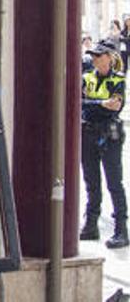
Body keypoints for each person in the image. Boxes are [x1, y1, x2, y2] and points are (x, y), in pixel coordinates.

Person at [80, 41, 128, 248]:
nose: (95, 59)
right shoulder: (86, 77)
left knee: (114, 183)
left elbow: (115, 108)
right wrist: (100, 104)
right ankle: (91, 225)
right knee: (91, 182)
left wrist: (94, 107)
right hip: (88, 133)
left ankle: (121, 230)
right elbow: (78, 104)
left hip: (109, 136)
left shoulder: (117, 80)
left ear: (109, 57)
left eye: (99, 55)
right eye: (93, 56)